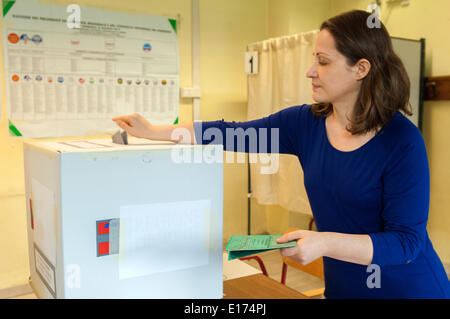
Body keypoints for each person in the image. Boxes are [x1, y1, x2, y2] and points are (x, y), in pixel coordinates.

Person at [113, 10, 450, 298]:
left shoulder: (402, 141)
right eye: (313, 59)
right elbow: (230, 133)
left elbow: (406, 244)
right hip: (344, 288)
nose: (311, 71)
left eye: (323, 61)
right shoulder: (305, 124)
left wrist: (323, 243)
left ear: (360, 68)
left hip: (407, 288)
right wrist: (155, 132)